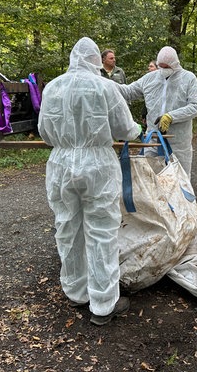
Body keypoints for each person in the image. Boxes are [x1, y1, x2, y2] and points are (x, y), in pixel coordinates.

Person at [38, 37, 142, 326]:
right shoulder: (105, 87)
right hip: (97, 165)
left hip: (61, 164)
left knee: (67, 228)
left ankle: (75, 292)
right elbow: (126, 130)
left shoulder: (53, 87)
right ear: (97, 60)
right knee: (102, 232)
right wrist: (136, 129)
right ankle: (104, 304)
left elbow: (45, 133)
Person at [116, 46, 197, 178]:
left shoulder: (188, 78)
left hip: (178, 142)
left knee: (180, 180)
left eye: (166, 67)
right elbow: (128, 91)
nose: (163, 70)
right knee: (151, 180)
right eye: (160, 66)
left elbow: (196, 106)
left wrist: (171, 116)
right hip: (153, 140)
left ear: (175, 64)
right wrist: (105, 85)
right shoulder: (149, 78)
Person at [141, 60, 158, 129]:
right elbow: (147, 100)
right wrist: (144, 114)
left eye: (151, 66)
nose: (149, 68)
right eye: (149, 66)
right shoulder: (148, 81)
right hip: (149, 112)